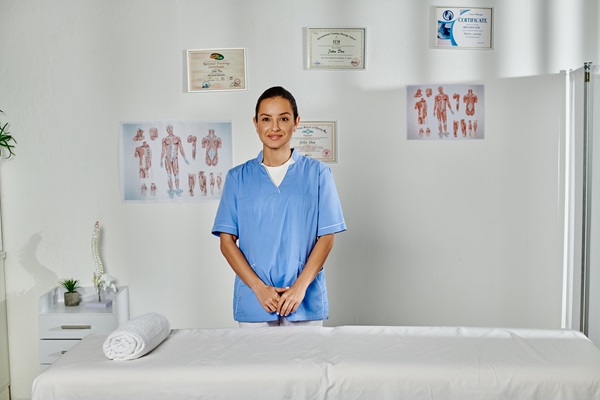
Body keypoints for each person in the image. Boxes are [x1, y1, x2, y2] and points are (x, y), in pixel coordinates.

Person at [212, 86, 346, 327]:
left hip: (303, 301)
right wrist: (258, 288)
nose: (274, 127)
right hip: (256, 300)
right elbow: (226, 241)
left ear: (296, 122)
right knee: (255, 365)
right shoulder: (238, 178)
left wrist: (300, 287)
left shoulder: (317, 174)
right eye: (266, 119)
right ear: (255, 123)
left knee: (306, 365)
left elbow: (327, 237)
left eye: (283, 119)